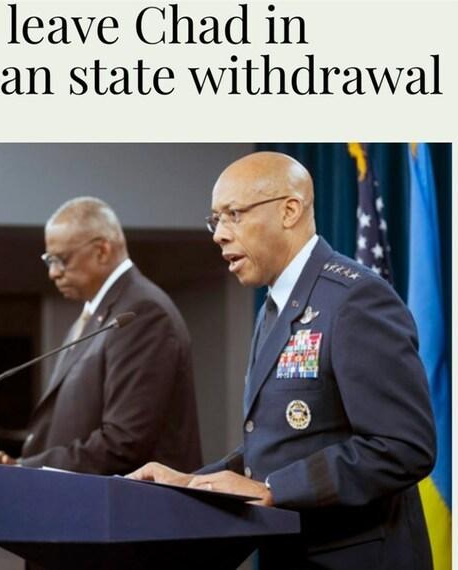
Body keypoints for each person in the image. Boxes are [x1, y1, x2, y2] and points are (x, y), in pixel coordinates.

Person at [128, 152, 436, 569]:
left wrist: (275, 489)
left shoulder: (355, 299)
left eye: (233, 214)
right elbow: (282, 442)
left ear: (289, 211)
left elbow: (403, 446)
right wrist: (192, 483)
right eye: (215, 220)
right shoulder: (274, 306)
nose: (219, 234)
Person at [0, 197, 202, 474]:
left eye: (61, 260)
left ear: (102, 251)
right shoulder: (95, 314)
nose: (53, 273)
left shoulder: (141, 313)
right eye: (49, 261)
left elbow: (124, 441)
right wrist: (23, 465)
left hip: (130, 499)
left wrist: (28, 467)